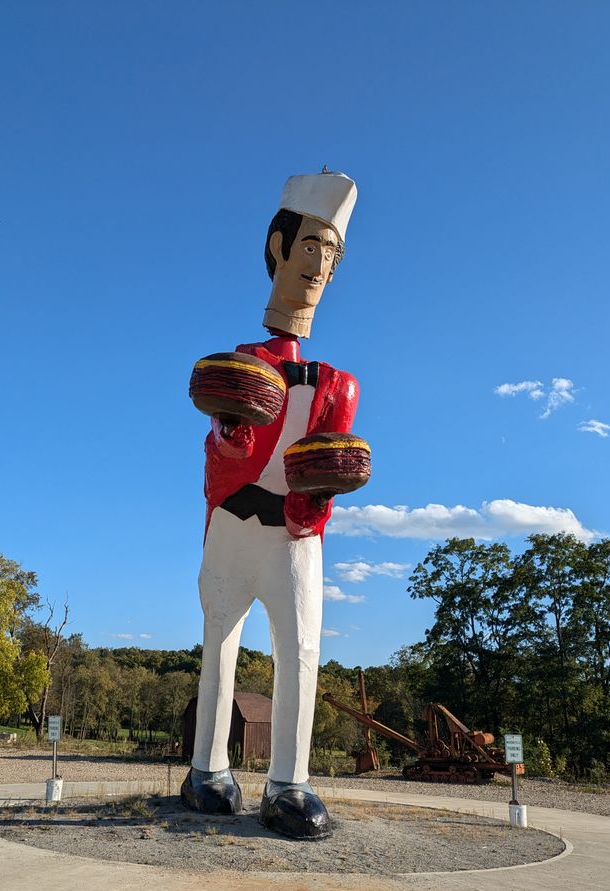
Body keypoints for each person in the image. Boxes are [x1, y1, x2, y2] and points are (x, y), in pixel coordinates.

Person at [182, 171, 359, 839]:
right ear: (279, 248)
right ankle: (208, 768)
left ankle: (288, 779)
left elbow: (325, 468)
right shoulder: (239, 367)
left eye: (333, 254)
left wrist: (311, 507)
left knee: (301, 648)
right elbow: (219, 459)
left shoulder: (338, 384)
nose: (320, 265)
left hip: (294, 535)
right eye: (311, 246)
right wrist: (230, 432)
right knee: (218, 643)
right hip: (234, 522)